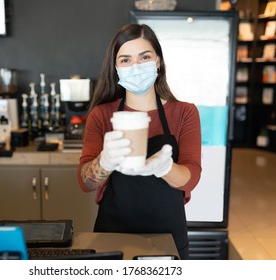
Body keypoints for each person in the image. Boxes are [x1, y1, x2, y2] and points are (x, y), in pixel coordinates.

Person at [77, 23, 202, 260]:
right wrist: (104, 162)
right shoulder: (102, 115)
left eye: (144, 57)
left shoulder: (184, 113)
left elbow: (192, 177)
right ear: (115, 68)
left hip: (168, 238)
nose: (135, 66)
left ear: (158, 61)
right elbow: (86, 183)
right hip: (112, 236)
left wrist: (165, 168)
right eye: (125, 60)